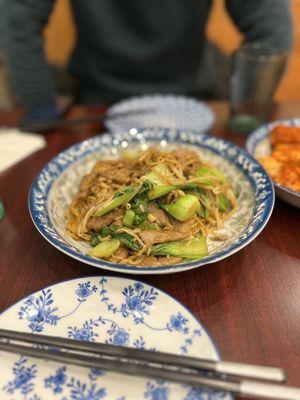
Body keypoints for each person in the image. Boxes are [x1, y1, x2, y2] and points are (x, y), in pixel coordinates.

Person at [2, 0, 293, 123]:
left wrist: (243, 113)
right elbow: (17, 21)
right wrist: (41, 108)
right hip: (95, 107)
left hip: (198, 104)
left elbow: (272, 29)